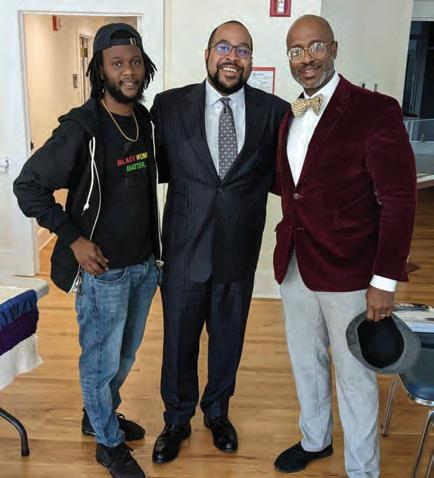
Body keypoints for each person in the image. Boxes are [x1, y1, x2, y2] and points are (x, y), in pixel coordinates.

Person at [272, 15, 416, 477]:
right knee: (305, 361)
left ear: (333, 48)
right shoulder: (291, 113)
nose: (306, 58)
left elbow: (399, 201)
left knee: (355, 375)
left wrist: (384, 281)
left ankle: (362, 470)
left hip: (351, 270)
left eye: (316, 46)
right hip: (295, 263)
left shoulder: (376, 110)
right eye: (296, 50)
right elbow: (295, 188)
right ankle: (315, 439)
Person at [13, 23, 159, 478]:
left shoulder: (144, 120)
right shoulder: (82, 127)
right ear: (99, 69)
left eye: (134, 62)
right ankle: (108, 445)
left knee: (125, 356)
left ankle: (98, 416)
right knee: (100, 360)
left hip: (143, 266)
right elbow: (28, 186)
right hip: (103, 271)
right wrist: (73, 239)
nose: (128, 72)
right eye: (117, 64)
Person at [151, 20, 288, 463]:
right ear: (208, 54)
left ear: (250, 60)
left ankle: (217, 412)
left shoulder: (275, 112)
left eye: (243, 50)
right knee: (178, 342)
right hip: (183, 250)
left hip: (238, 252)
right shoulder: (168, 106)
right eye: (224, 47)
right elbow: (150, 172)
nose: (233, 57)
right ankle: (176, 419)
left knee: (228, 339)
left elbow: (288, 179)